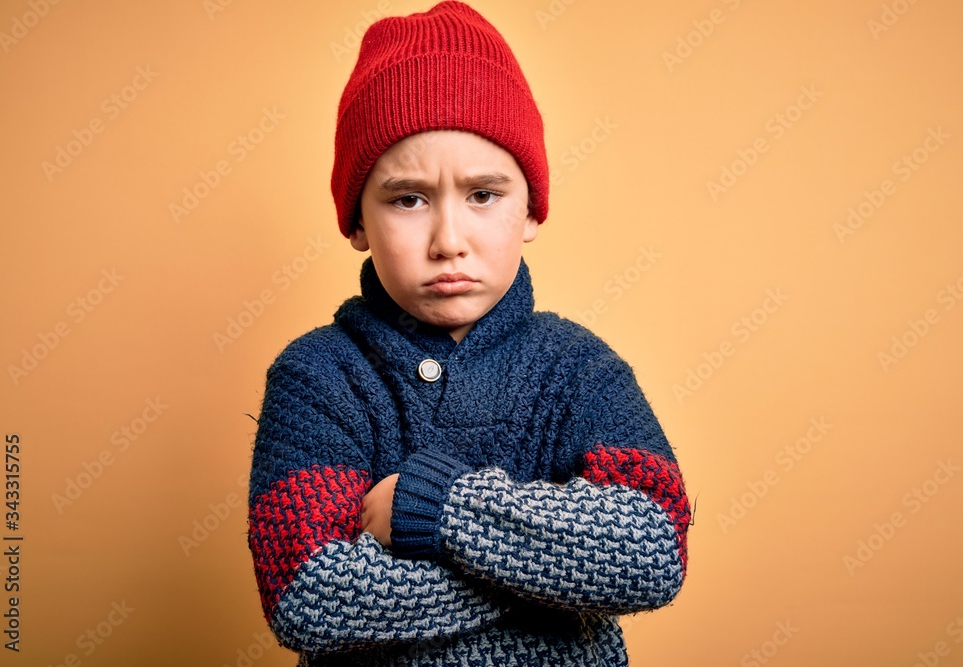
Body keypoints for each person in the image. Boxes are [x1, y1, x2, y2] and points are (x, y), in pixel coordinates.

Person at [247, 2, 691, 664]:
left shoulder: (580, 369)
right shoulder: (317, 376)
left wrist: (439, 504)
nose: (448, 240)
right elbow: (307, 593)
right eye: (408, 199)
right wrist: (547, 579)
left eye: (483, 195)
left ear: (531, 210)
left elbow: (652, 549)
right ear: (357, 222)